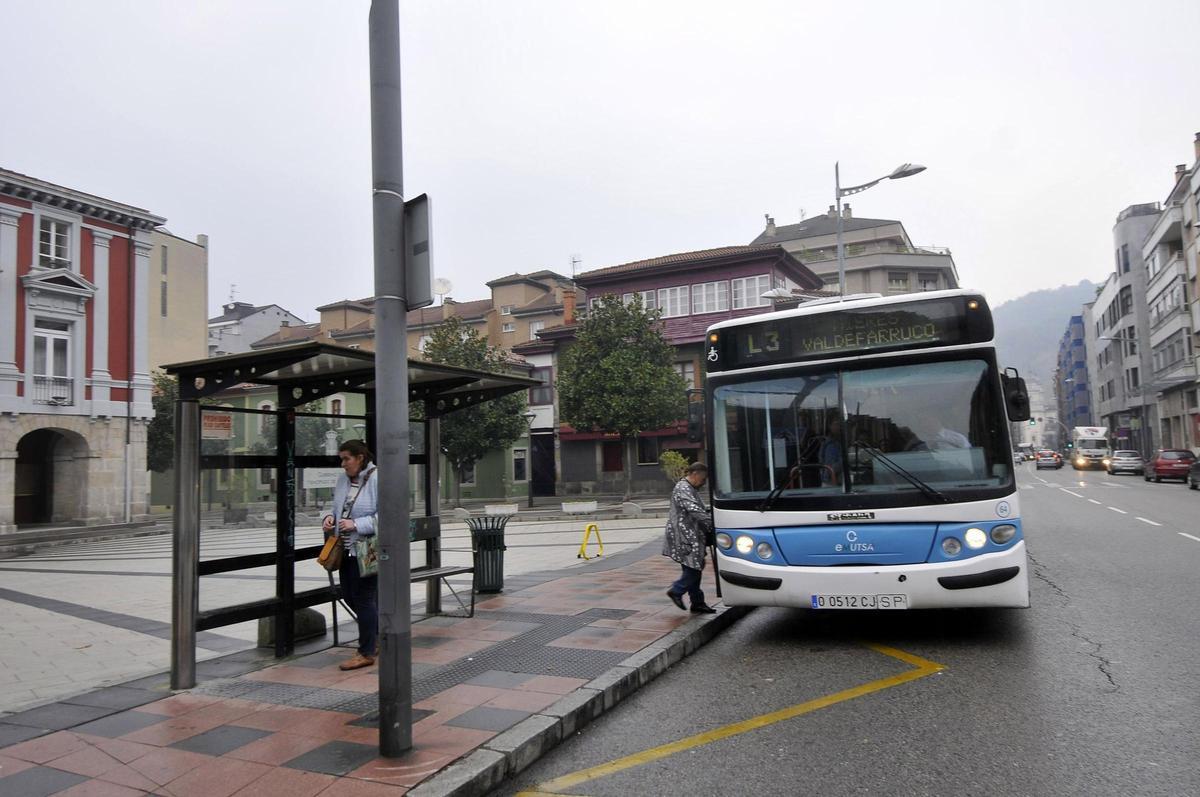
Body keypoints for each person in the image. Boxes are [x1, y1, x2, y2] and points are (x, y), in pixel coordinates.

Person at [322, 439, 379, 671]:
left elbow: (389, 515)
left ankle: (366, 650)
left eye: (347, 458)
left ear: (360, 458)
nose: (343, 464)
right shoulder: (343, 481)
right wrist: (329, 518)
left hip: (367, 550)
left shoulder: (377, 479)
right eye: (341, 459)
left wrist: (356, 524)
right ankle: (373, 637)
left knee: (364, 598)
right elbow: (337, 509)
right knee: (348, 596)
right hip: (344, 549)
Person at [663, 462, 717, 614]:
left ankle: (697, 602)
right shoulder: (683, 488)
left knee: (694, 566)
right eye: (703, 478)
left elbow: (698, 509)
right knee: (694, 567)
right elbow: (694, 510)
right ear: (695, 474)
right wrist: (712, 524)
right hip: (685, 536)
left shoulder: (689, 488)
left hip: (690, 535)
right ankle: (677, 590)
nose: (704, 482)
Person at [905, 410, 970, 451]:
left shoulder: (956, 437)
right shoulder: (917, 441)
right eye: (921, 421)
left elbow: (968, 456)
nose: (924, 423)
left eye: (927, 419)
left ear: (937, 419)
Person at [819, 418, 844, 485]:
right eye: (836, 424)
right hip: (831, 483)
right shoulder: (831, 445)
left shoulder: (838, 442)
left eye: (840, 425)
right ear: (830, 426)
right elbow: (831, 468)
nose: (838, 427)